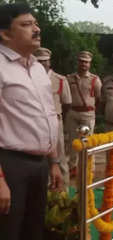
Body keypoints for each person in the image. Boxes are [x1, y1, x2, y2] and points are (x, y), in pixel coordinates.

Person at [0, 3, 64, 240]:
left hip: (39, 163)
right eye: (26, 24)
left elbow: (49, 117)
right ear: (5, 33)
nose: (36, 29)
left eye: (36, 23)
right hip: (8, 161)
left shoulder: (37, 68)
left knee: (30, 238)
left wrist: (53, 162)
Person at [35, 47, 72, 185]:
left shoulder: (60, 80)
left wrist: (58, 118)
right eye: (38, 61)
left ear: (49, 62)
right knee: (40, 158)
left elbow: (67, 104)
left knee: (60, 157)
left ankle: (64, 190)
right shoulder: (29, 79)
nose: (42, 64)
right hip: (36, 123)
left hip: (55, 122)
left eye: (44, 61)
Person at [65, 50, 102, 175]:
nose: (83, 64)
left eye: (86, 62)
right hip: (73, 113)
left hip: (87, 114)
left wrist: (91, 110)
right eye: (81, 61)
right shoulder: (69, 78)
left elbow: (99, 98)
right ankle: (73, 167)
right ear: (78, 62)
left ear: (89, 64)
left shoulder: (94, 80)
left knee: (87, 141)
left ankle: (88, 167)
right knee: (73, 142)